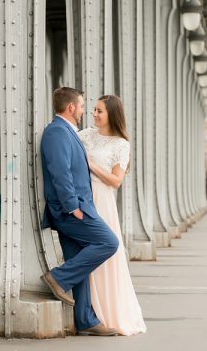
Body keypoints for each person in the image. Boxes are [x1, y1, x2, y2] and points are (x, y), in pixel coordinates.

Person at [40, 87, 120, 336]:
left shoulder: (67, 132)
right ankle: (58, 278)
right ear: (71, 107)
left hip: (77, 207)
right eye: (83, 106)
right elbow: (60, 172)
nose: (85, 110)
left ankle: (85, 319)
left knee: (80, 261)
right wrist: (72, 206)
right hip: (70, 210)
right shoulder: (57, 132)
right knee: (109, 242)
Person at [78, 95, 147, 336]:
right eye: (94, 110)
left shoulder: (121, 144)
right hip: (84, 196)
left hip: (103, 200)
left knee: (105, 253)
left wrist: (91, 165)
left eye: (99, 111)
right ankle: (89, 311)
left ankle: (106, 313)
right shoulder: (85, 135)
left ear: (112, 115)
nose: (94, 114)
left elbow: (116, 181)